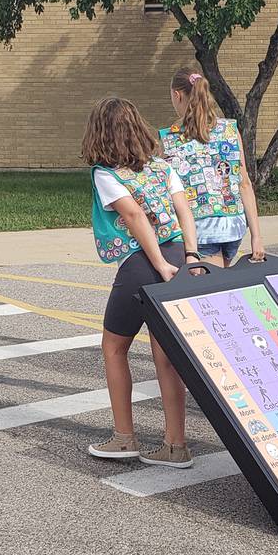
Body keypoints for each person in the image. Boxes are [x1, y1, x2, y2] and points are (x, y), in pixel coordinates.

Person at [82, 96, 200, 468]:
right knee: (166, 355)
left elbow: (134, 217)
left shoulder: (107, 174)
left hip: (143, 265)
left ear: (100, 133)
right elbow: (184, 210)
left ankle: (123, 438)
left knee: (114, 346)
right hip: (181, 255)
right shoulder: (163, 167)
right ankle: (175, 445)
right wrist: (191, 258)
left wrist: (159, 264)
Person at [160, 68, 265, 267]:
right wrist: (256, 236)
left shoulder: (170, 139)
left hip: (201, 227)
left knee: (211, 290)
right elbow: (244, 183)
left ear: (177, 95)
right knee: (221, 281)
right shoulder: (230, 131)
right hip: (234, 225)